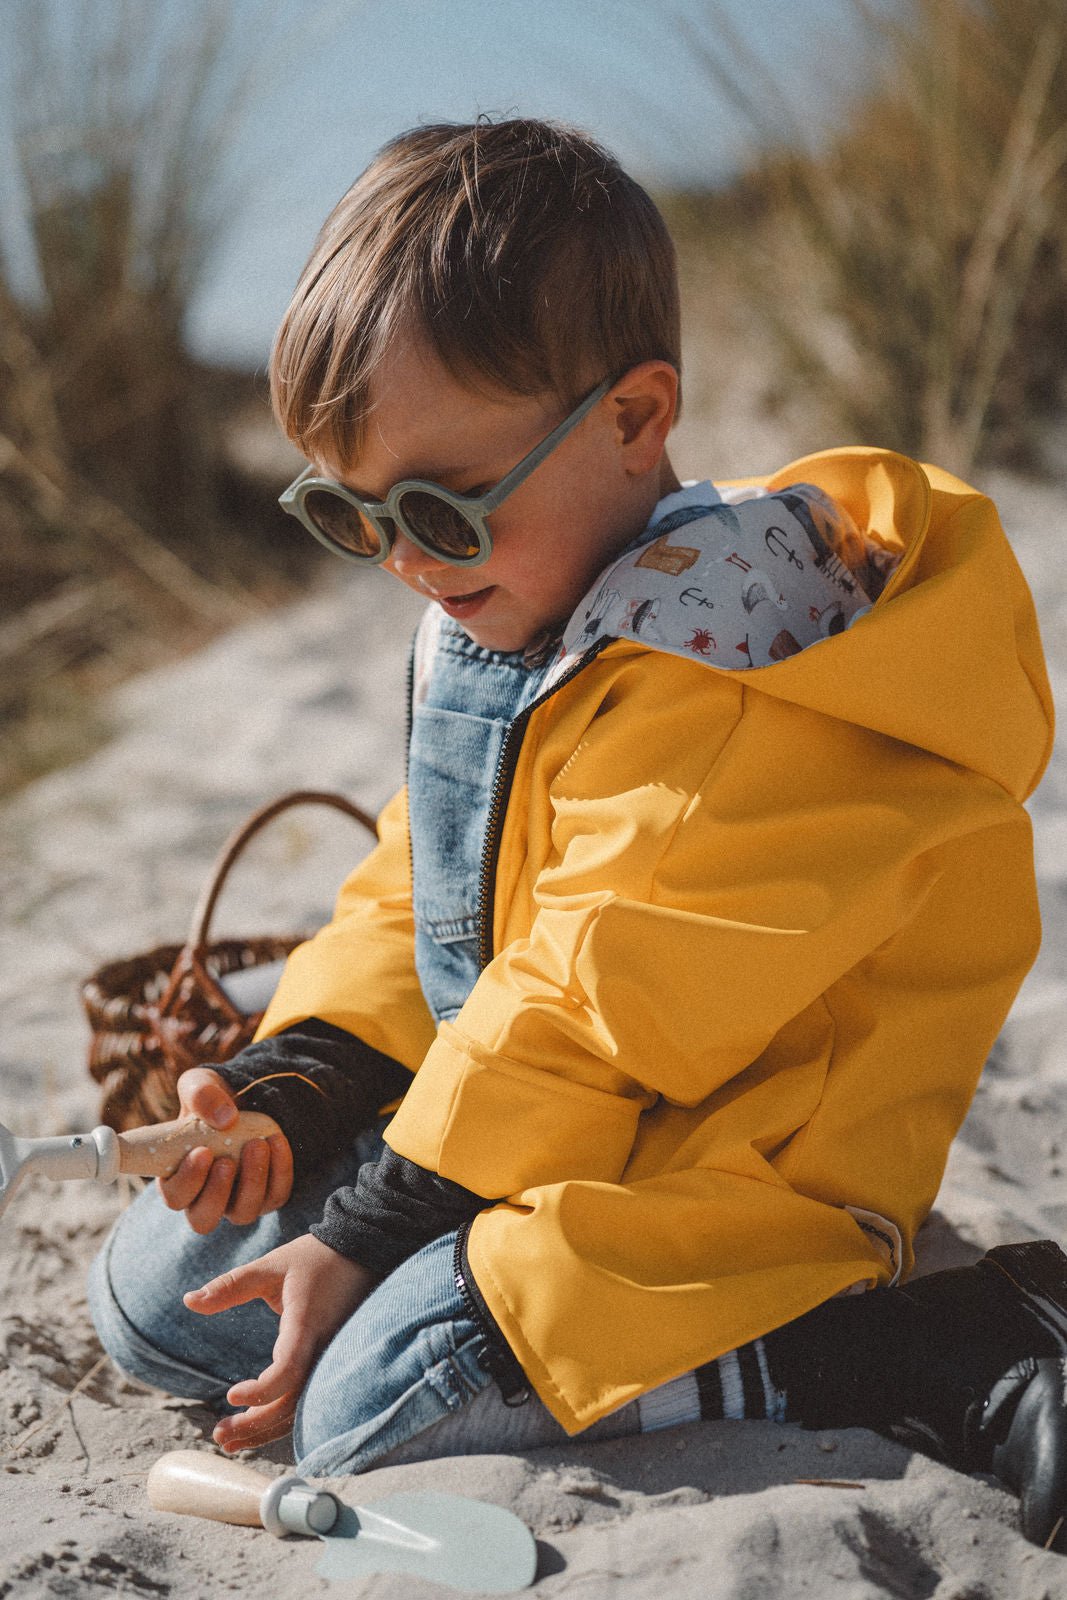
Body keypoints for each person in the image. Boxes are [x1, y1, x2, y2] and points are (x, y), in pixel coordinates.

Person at [88, 118, 1067, 1549]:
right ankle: (419, 1251)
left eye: (440, 505)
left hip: (731, 1169)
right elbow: (417, 887)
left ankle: (932, 1344)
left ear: (632, 416)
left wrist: (365, 1228)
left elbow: (597, 1005)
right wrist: (304, 1077)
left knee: (377, 1403)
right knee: (147, 1294)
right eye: (352, 517)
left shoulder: (730, 665)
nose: (410, 563)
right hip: (532, 1131)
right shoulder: (509, 605)